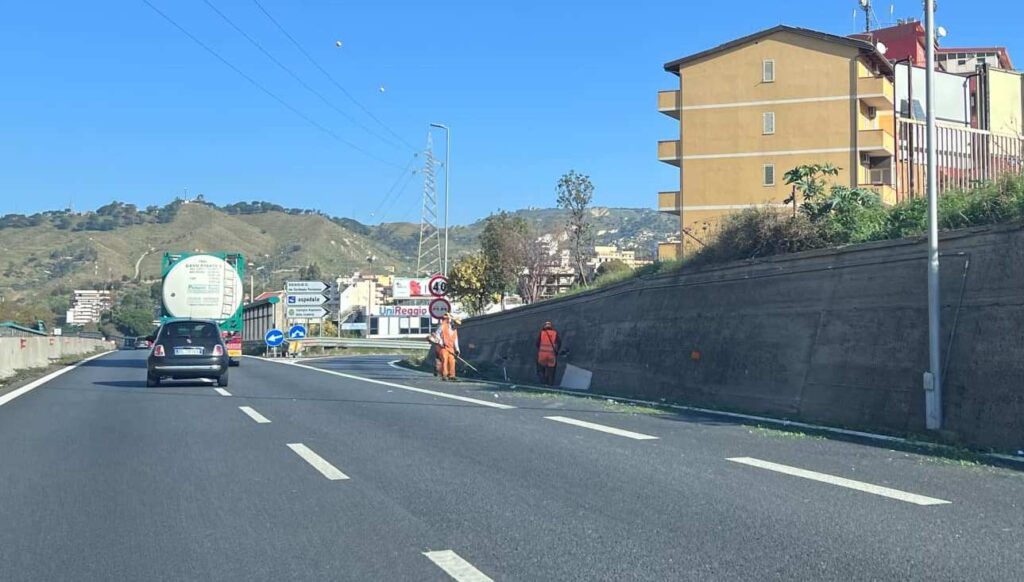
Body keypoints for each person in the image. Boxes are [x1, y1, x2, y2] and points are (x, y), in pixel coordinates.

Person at [433, 313, 461, 381]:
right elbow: (437, 334)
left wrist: (457, 349)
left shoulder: (455, 330)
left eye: (458, 325)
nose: (456, 326)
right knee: (444, 360)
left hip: (451, 348)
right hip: (443, 347)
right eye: (456, 324)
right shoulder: (443, 326)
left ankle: (452, 375)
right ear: (453, 322)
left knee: (452, 361)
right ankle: (444, 375)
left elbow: (455, 340)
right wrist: (440, 341)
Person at [536, 321, 561, 386]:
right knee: (551, 371)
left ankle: (543, 383)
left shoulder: (542, 333)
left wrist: (540, 349)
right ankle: (550, 384)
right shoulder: (555, 333)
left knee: (541, 369)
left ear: (544, 327)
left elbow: (537, 344)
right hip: (551, 355)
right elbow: (559, 343)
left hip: (542, 355)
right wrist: (556, 351)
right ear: (551, 327)